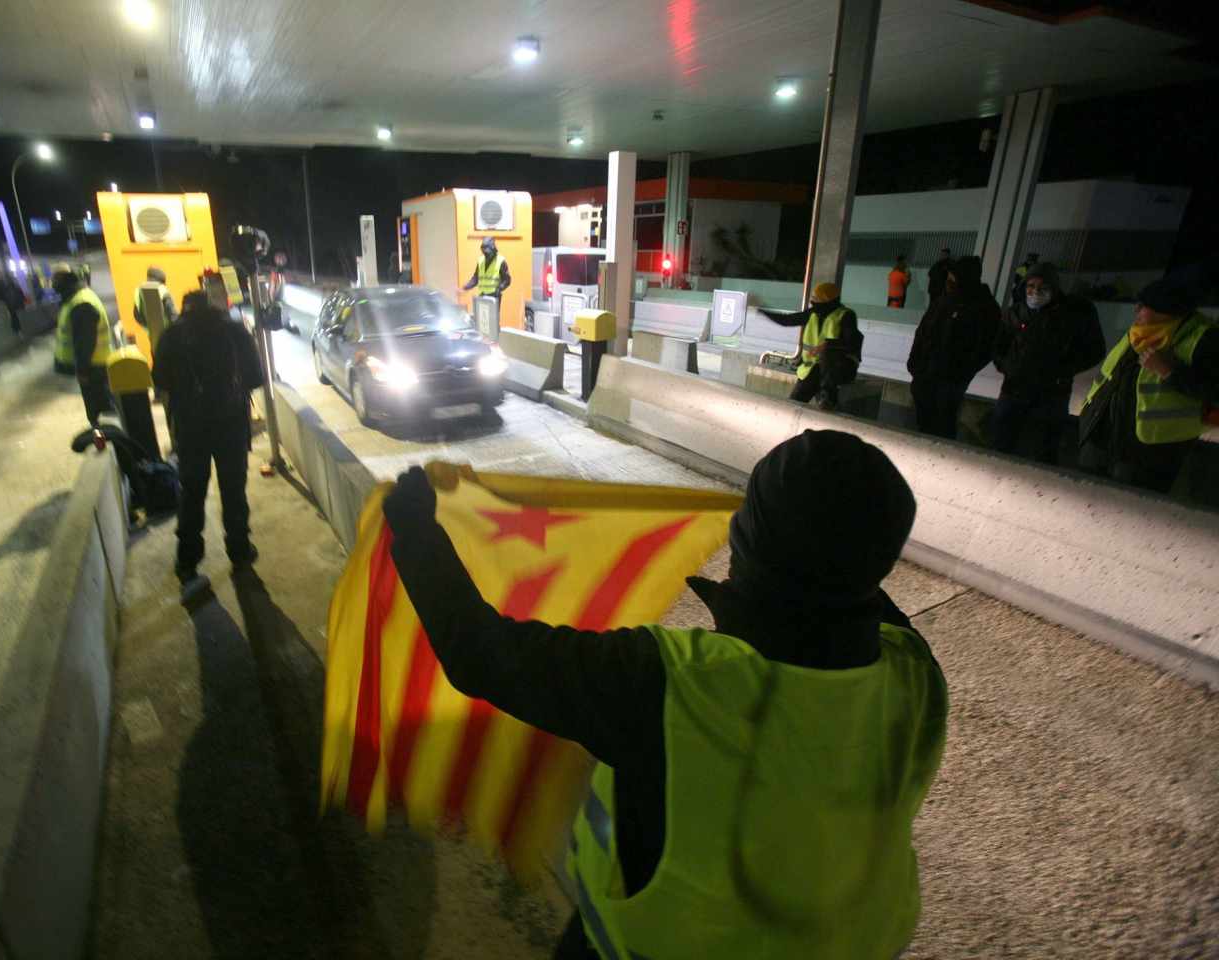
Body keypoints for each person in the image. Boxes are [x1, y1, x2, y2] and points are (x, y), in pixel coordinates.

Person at [381, 430, 948, 960]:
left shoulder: (675, 685)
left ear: (750, 541)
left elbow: (482, 654)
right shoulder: (914, 670)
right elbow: (854, 592)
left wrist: (415, 531)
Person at [151, 290, 266, 584]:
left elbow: (160, 381)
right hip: (230, 426)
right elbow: (255, 377)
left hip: (190, 429)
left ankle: (187, 560)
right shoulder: (234, 331)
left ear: (184, 308)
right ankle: (240, 552)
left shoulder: (171, 336)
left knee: (191, 491)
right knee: (233, 489)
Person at [1078, 277, 1219, 494]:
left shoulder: (1204, 339)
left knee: (1127, 508)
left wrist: (1169, 371)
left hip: (1150, 451)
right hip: (1102, 434)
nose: (1136, 310)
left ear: (1167, 310)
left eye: (1144, 306)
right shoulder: (1140, 331)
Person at [990, 263, 1106, 463]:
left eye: (1042, 288)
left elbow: (1094, 350)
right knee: (1002, 440)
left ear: (1054, 288)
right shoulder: (1015, 312)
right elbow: (999, 345)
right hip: (1014, 389)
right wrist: (1007, 367)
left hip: (1052, 394)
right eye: (1030, 286)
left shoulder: (1072, 315)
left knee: (1043, 447)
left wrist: (1063, 371)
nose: (1035, 292)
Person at [907, 255, 1000, 439]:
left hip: (951, 380)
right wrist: (914, 363)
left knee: (943, 424)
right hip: (925, 373)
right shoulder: (944, 301)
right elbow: (922, 332)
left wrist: (961, 372)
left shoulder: (984, 307)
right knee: (923, 422)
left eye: (953, 279)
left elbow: (987, 346)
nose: (948, 282)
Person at [760, 282, 862, 410]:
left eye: (817, 299)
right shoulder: (813, 313)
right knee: (793, 405)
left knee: (828, 355)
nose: (813, 302)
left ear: (828, 300)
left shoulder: (846, 315)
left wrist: (827, 345)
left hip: (840, 368)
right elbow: (787, 320)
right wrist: (763, 311)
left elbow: (853, 341)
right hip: (812, 369)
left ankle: (828, 397)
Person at [52, 266, 114, 424]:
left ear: (64, 280)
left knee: (100, 410)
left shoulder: (81, 303)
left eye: (55, 279)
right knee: (99, 408)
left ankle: (108, 438)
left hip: (94, 367)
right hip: (95, 365)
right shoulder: (76, 298)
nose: (52, 283)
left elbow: (85, 341)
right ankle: (104, 436)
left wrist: (83, 370)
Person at [462, 237, 511, 314]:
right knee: (482, 320)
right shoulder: (480, 260)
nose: (485, 253)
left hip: (494, 297)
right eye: (483, 251)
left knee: (493, 321)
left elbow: (507, 280)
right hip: (482, 296)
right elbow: (475, 278)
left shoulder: (500, 261)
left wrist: (499, 288)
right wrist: (465, 287)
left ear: (493, 249)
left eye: (487, 251)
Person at [133, 265, 177, 338]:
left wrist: (148, 327)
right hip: (168, 335)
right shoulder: (162, 290)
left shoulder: (139, 290)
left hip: (153, 335)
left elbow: (137, 315)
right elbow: (173, 315)